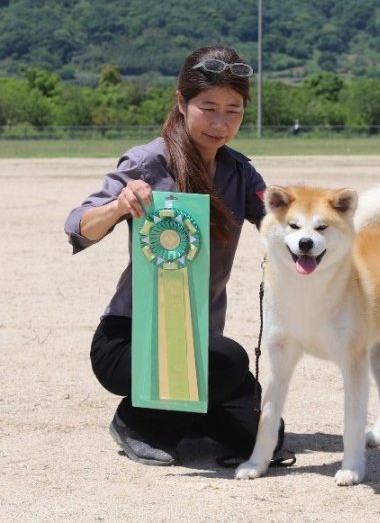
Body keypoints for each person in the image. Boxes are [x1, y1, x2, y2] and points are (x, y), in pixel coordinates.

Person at [65, 45, 283, 467]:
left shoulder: (241, 172)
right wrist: (118, 205)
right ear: (181, 103)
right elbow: (79, 225)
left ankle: (184, 417)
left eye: (233, 111)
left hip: (198, 342)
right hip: (128, 339)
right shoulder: (148, 161)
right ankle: (136, 421)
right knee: (230, 362)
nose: (221, 123)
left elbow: (278, 221)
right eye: (208, 108)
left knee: (264, 439)